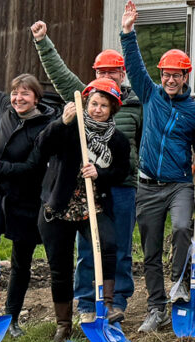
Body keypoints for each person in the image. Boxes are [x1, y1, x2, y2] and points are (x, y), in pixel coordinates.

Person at [30, 22, 142, 324]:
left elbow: (145, 140)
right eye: (101, 72)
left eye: (113, 72)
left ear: (122, 73)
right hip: (83, 189)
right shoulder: (88, 98)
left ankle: (116, 301)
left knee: (116, 247)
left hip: (122, 184)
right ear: (95, 76)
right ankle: (84, 302)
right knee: (86, 248)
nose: (107, 77)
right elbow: (60, 74)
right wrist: (43, 43)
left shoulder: (136, 102)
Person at [17, 79, 132, 341]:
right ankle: (63, 324)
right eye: (93, 103)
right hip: (59, 206)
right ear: (86, 103)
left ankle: (107, 305)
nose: (97, 109)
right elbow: (41, 146)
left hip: (93, 205)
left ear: (112, 109)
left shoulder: (117, 140)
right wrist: (62, 122)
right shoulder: (69, 127)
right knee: (60, 266)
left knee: (108, 243)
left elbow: (122, 172)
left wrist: (100, 173)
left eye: (104, 105)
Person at [119, 1, 195, 334]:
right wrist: (128, 32)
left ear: (185, 77)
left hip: (179, 183)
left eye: (176, 74)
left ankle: (180, 282)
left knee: (183, 228)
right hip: (148, 186)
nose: (169, 79)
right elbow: (135, 65)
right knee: (150, 250)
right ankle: (156, 308)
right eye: (166, 73)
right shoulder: (150, 95)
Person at [0, 29, 52, 336]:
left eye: (25, 94)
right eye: (16, 93)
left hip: (26, 199)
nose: (18, 98)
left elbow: (32, 168)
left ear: (36, 98)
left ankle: (12, 317)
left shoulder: (44, 128)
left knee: (21, 260)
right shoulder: (5, 108)